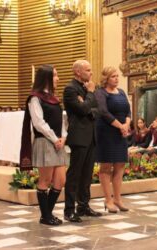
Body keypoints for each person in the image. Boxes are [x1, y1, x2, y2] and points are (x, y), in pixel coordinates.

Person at [19, 65, 68, 226]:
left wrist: (63, 137)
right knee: (45, 180)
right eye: (55, 75)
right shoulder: (35, 98)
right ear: (46, 77)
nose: (58, 78)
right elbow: (39, 123)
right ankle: (46, 216)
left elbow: (61, 121)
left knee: (60, 180)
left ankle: (47, 214)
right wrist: (55, 139)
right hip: (45, 142)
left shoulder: (53, 98)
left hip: (58, 142)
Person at [63, 60, 101, 223]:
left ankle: (83, 206)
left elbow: (97, 110)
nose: (91, 73)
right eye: (88, 70)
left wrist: (87, 104)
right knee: (74, 175)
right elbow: (83, 109)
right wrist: (90, 95)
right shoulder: (70, 89)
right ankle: (69, 210)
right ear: (78, 72)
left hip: (91, 135)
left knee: (87, 174)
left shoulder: (86, 89)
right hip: (78, 136)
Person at [94, 66, 131, 213]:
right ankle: (108, 200)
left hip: (121, 132)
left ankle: (117, 198)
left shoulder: (121, 92)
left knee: (120, 166)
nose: (116, 78)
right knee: (106, 167)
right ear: (106, 79)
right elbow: (103, 111)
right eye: (113, 76)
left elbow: (128, 110)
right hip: (107, 131)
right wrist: (120, 126)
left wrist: (126, 125)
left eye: (117, 76)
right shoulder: (100, 92)